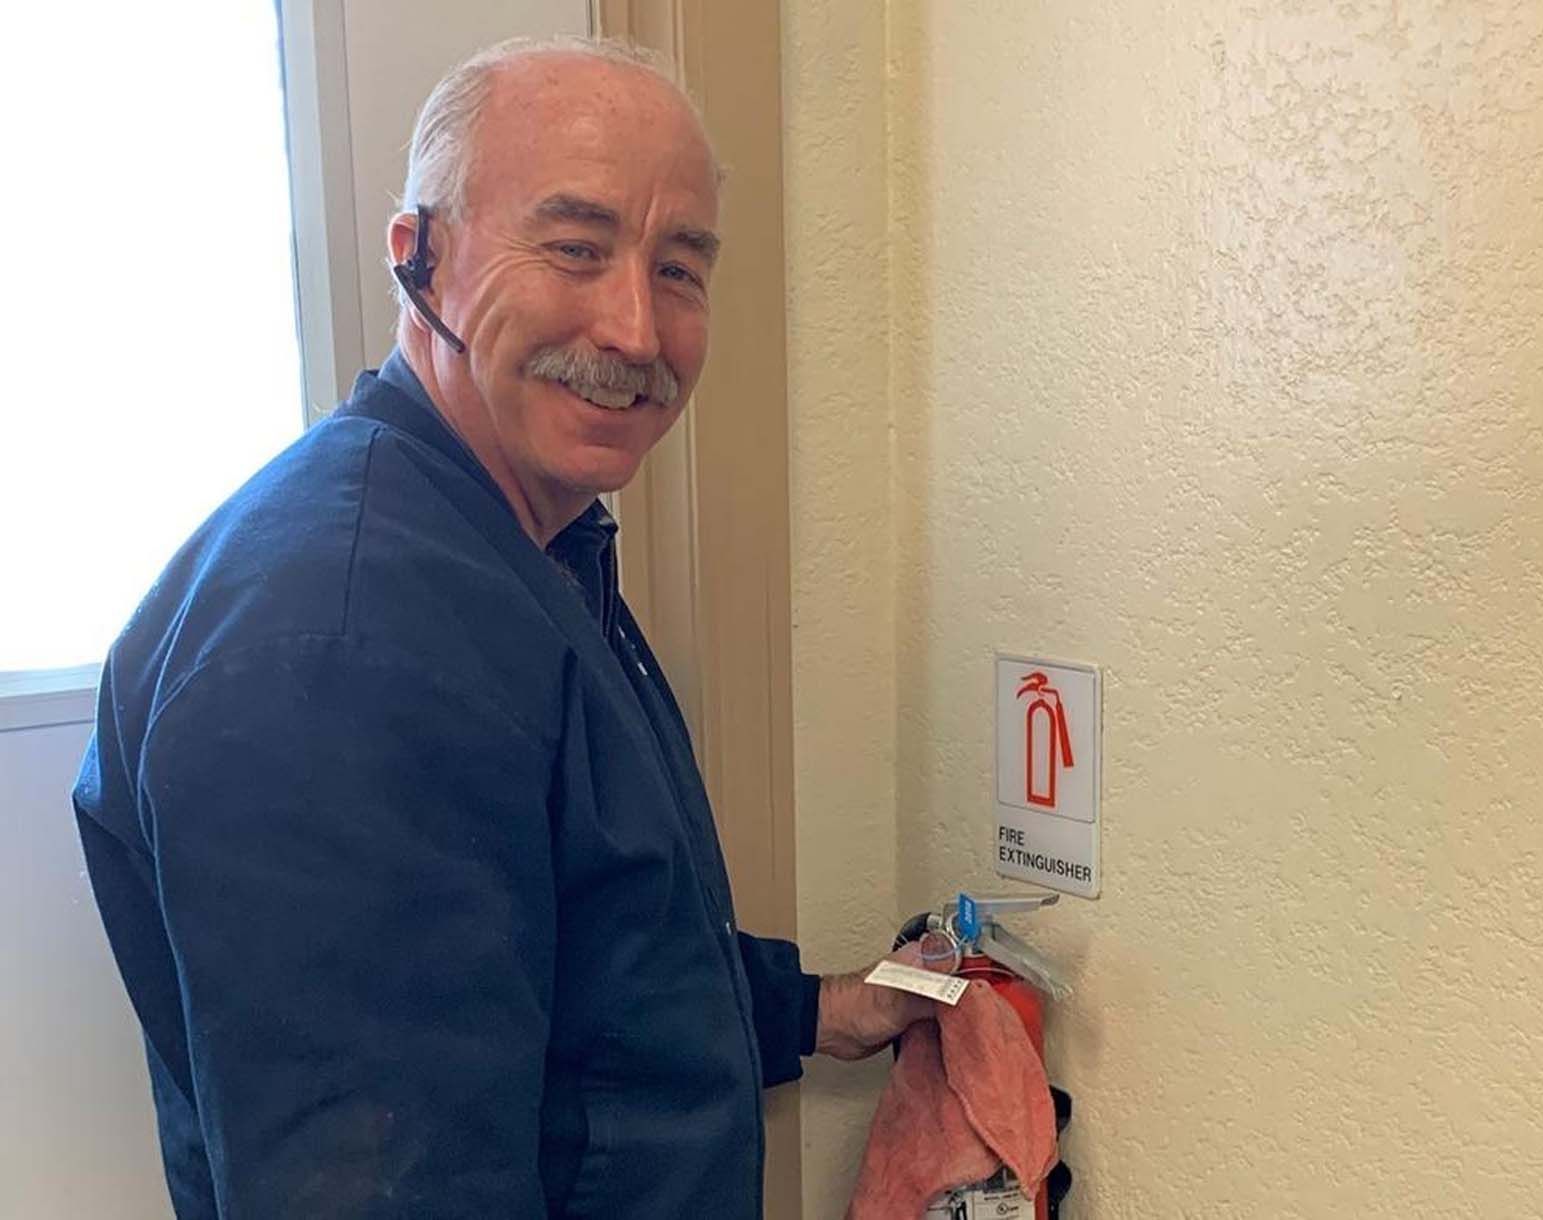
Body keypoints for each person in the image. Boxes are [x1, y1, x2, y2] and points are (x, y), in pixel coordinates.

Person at [73, 36, 929, 1219]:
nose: (637, 328)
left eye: (679, 269)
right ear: (415, 254)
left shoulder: (509, 543)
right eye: (575, 248)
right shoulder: (347, 639)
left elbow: (556, 957)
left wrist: (822, 1007)